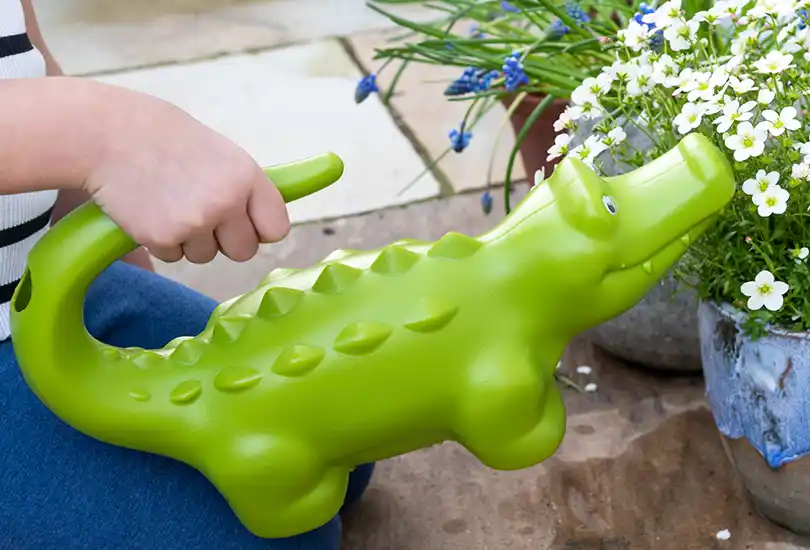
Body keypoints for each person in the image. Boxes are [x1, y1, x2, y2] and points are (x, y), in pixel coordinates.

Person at [0, 1, 374, 548]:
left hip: (44, 290)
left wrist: (126, 272)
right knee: (278, 532)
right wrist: (104, 133)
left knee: (336, 434)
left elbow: (26, 60)